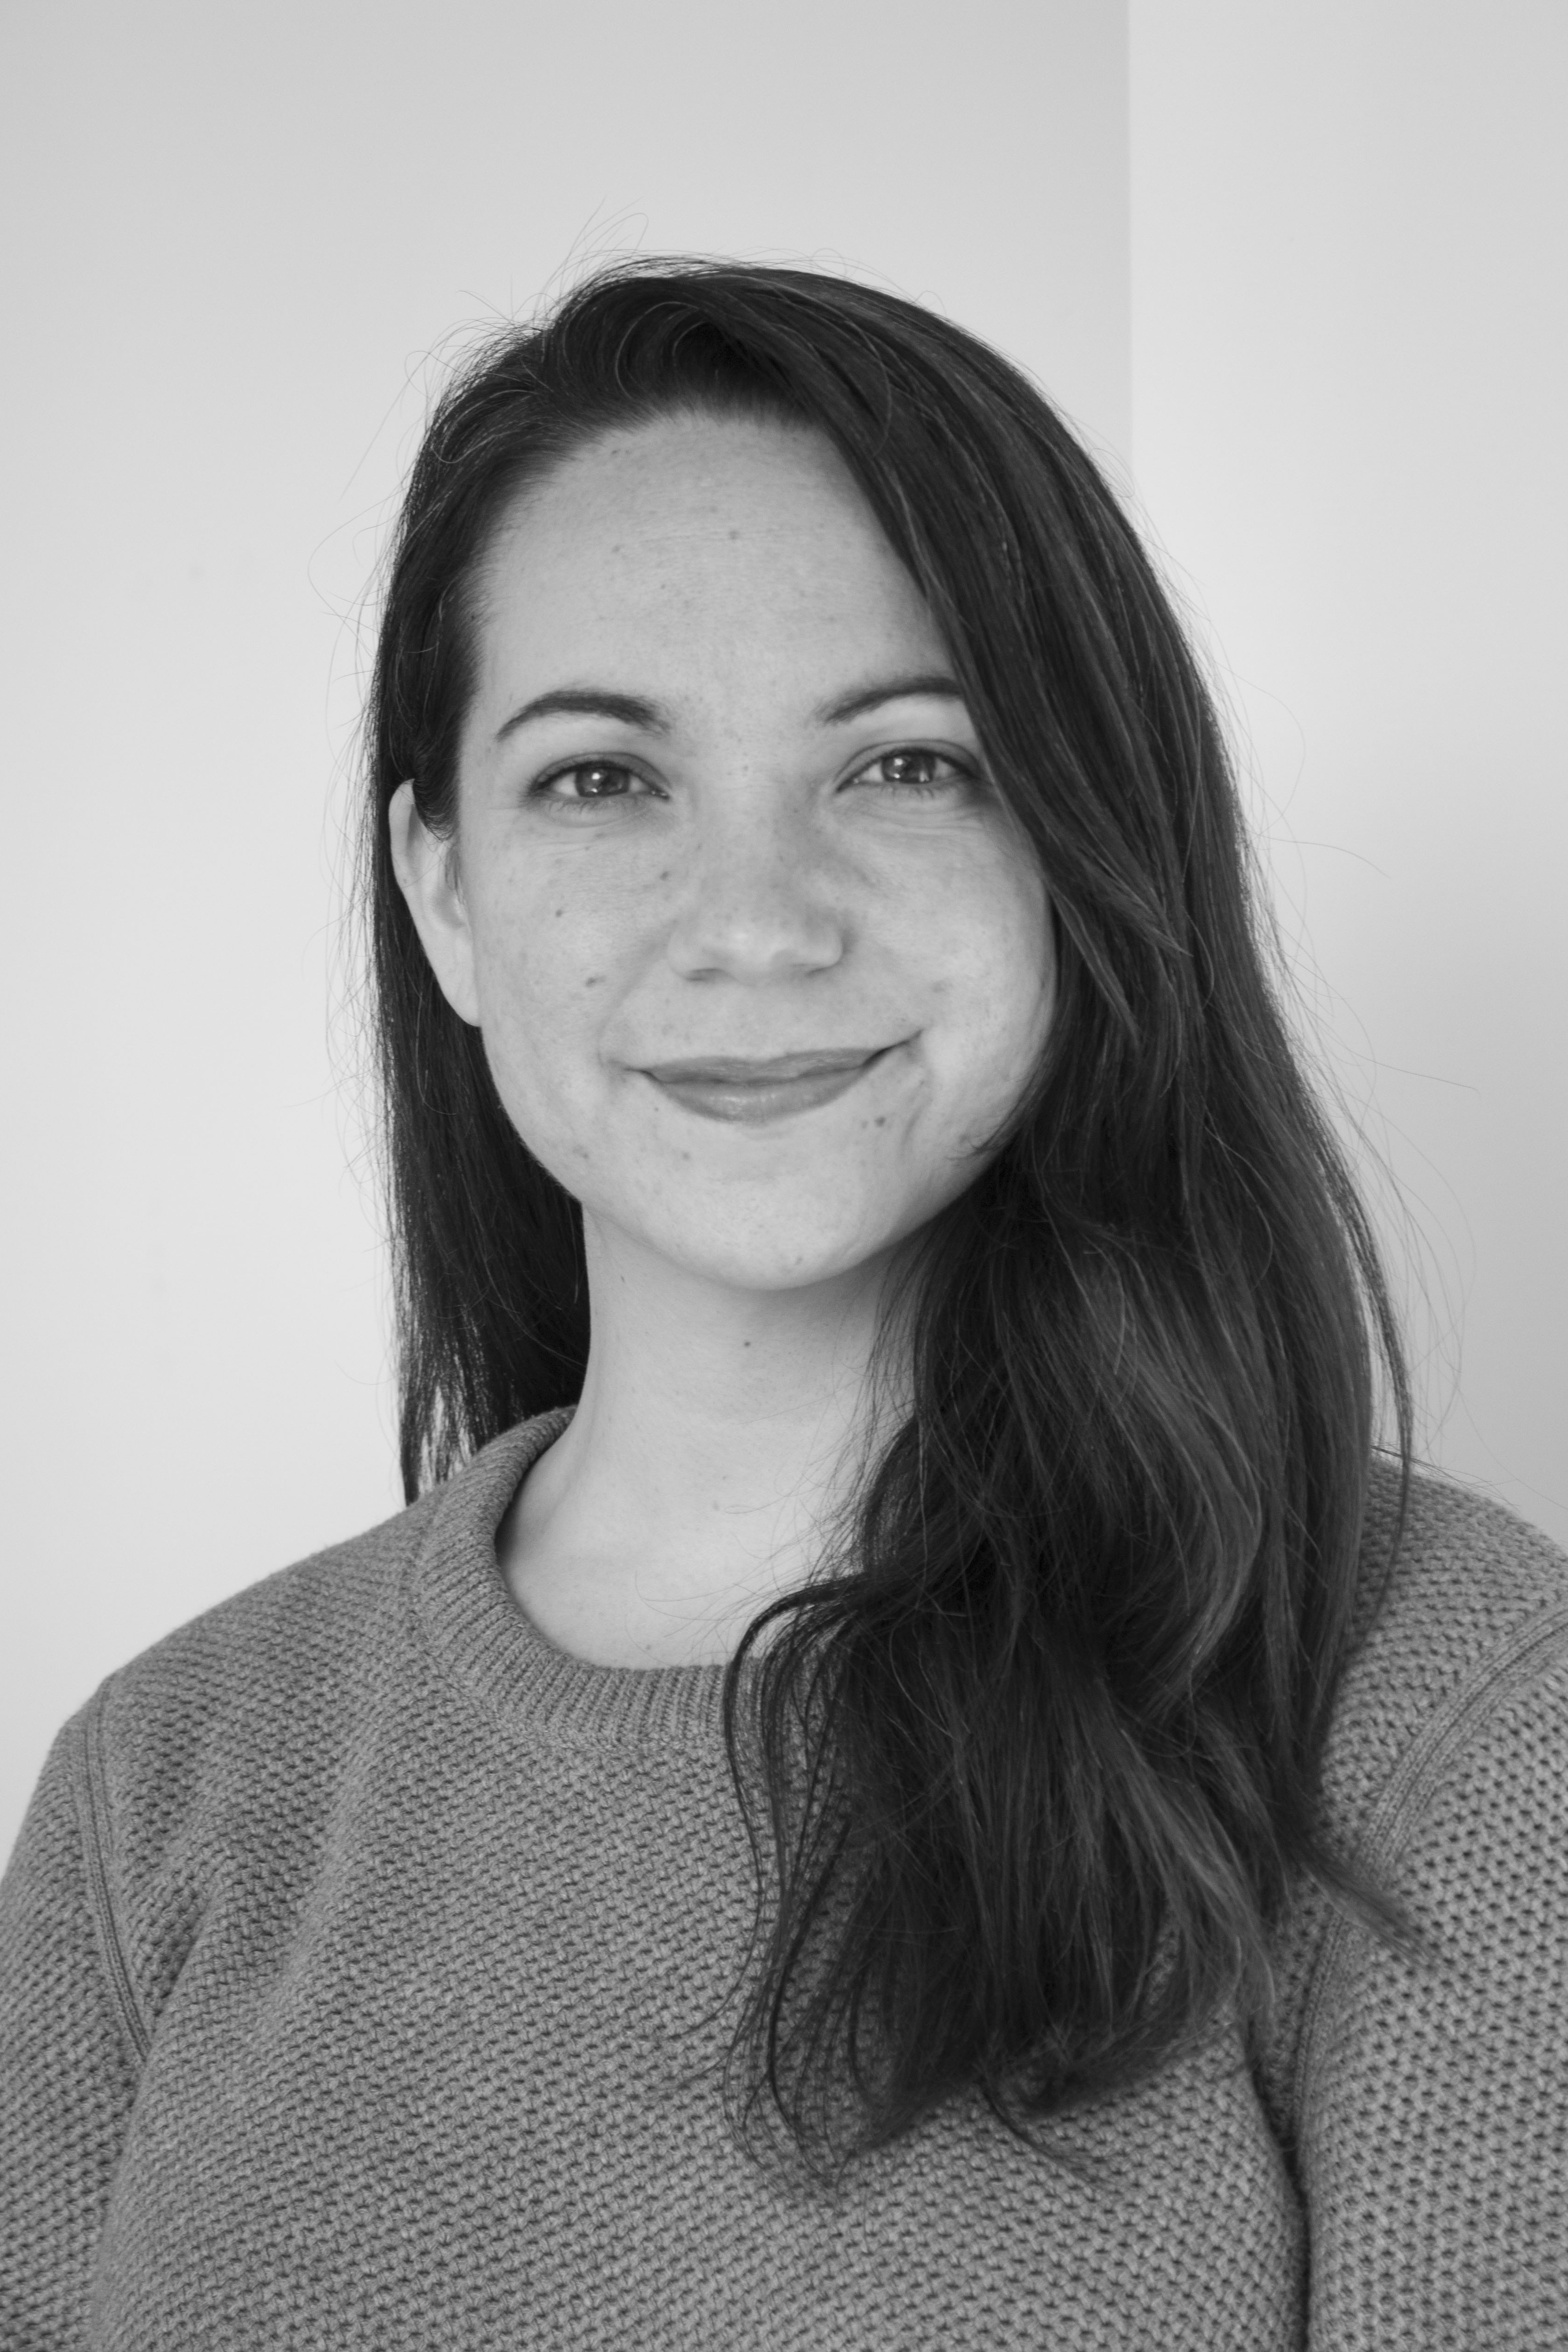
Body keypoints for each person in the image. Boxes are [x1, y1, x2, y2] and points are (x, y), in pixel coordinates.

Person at [2, 258, 1564, 2349]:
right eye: (598, 778)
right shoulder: (162, 1785)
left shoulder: (1451, 1706)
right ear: (446, 888)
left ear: (1081, 852)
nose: (752, 918)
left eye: (907, 764)